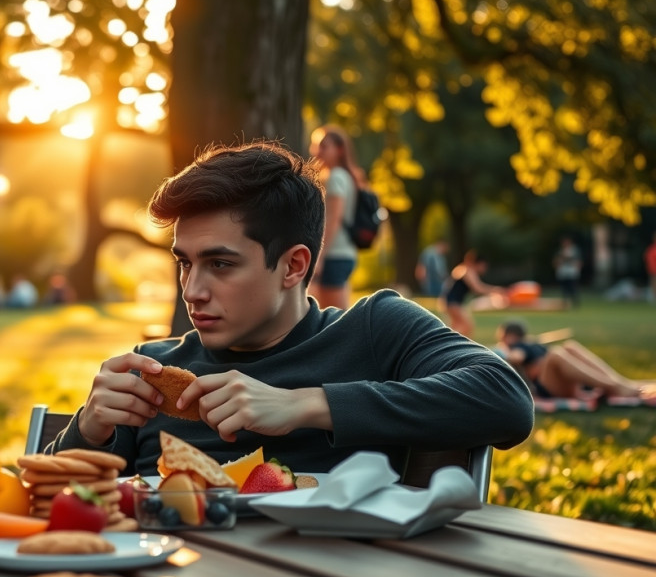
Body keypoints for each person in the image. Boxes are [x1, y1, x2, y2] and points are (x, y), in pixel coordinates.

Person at [43, 141, 533, 477]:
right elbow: (60, 510)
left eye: (220, 264)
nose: (192, 290)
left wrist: (303, 404)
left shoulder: (373, 330)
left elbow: (505, 397)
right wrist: (87, 429)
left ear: (294, 266)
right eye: (185, 263)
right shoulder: (154, 370)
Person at [495, 320, 655, 401]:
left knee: (570, 347)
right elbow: (517, 358)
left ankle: (619, 383)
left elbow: (517, 356)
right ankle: (617, 386)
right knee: (555, 355)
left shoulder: (521, 345)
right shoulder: (519, 346)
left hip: (564, 380)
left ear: (507, 336)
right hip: (545, 387)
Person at [306, 124, 364, 310]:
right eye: (316, 145)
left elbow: (333, 220)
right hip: (343, 254)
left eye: (324, 146)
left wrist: (319, 256)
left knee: (336, 321)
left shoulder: (336, 177)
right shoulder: (345, 176)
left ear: (339, 149)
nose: (317, 151)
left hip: (334, 255)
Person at [438, 251, 503, 339]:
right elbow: (477, 288)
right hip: (453, 302)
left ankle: (449, 344)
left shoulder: (461, 269)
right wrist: (495, 290)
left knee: (456, 326)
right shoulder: (467, 271)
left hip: (451, 301)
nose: (484, 269)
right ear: (478, 263)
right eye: (483, 266)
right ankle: (450, 343)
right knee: (467, 326)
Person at [552, 236, 582, 308]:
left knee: (573, 288)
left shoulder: (574, 250)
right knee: (564, 289)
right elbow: (556, 261)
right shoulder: (560, 251)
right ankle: (565, 303)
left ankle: (575, 303)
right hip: (563, 271)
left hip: (571, 271)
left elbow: (578, 261)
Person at [646, 231, 656, 305]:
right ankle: (653, 298)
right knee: (653, 284)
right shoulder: (651, 249)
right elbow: (648, 260)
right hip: (653, 271)